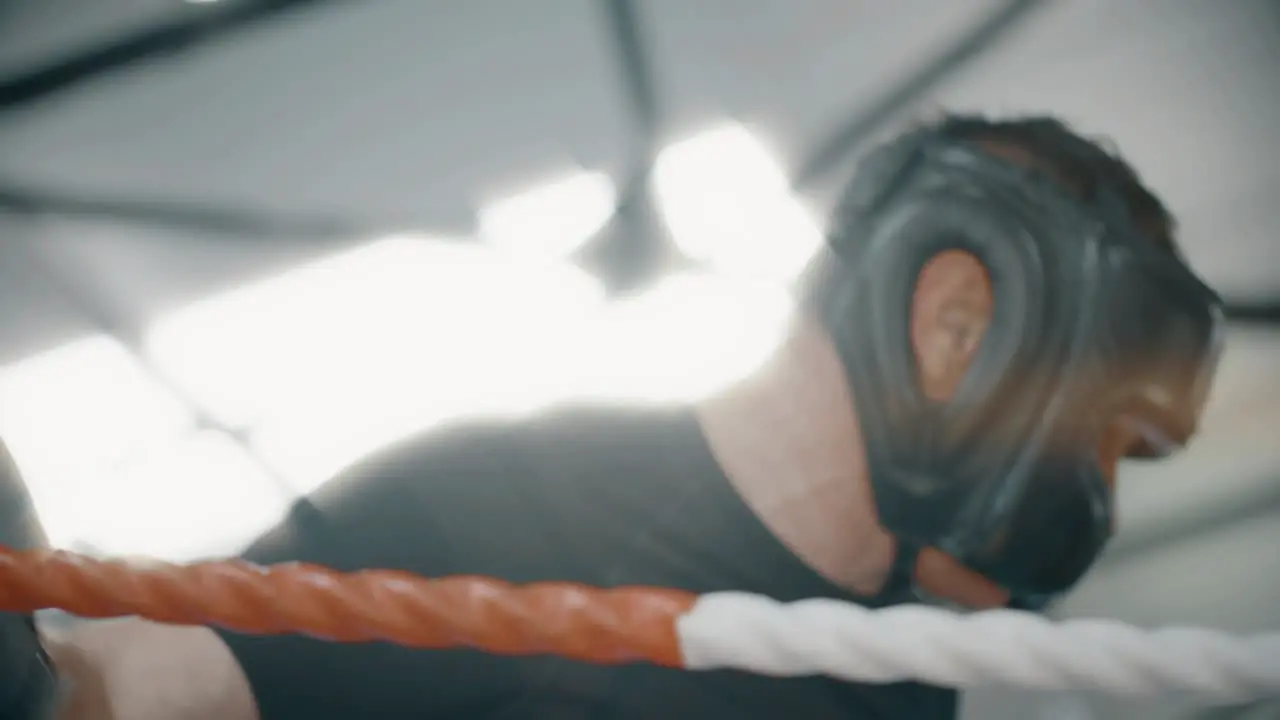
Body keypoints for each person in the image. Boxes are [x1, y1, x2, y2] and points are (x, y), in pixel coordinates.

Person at [0, 113, 1223, 719]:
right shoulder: (499, 504)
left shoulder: (907, 680)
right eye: (1104, 436)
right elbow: (144, 687)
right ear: (954, 325)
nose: (1101, 505)